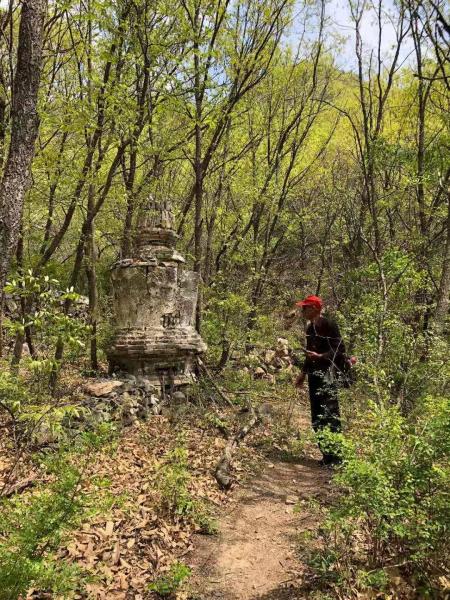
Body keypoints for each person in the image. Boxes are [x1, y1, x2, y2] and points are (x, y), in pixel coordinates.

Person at [294, 295, 346, 466]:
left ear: (315, 308)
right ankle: (326, 455)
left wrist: (321, 356)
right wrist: (303, 373)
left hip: (328, 375)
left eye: (306, 308)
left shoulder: (329, 325)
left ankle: (336, 458)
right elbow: (309, 353)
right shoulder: (310, 329)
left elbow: (339, 349)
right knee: (317, 415)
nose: (303, 311)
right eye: (303, 308)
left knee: (330, 414)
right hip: (314, 376)